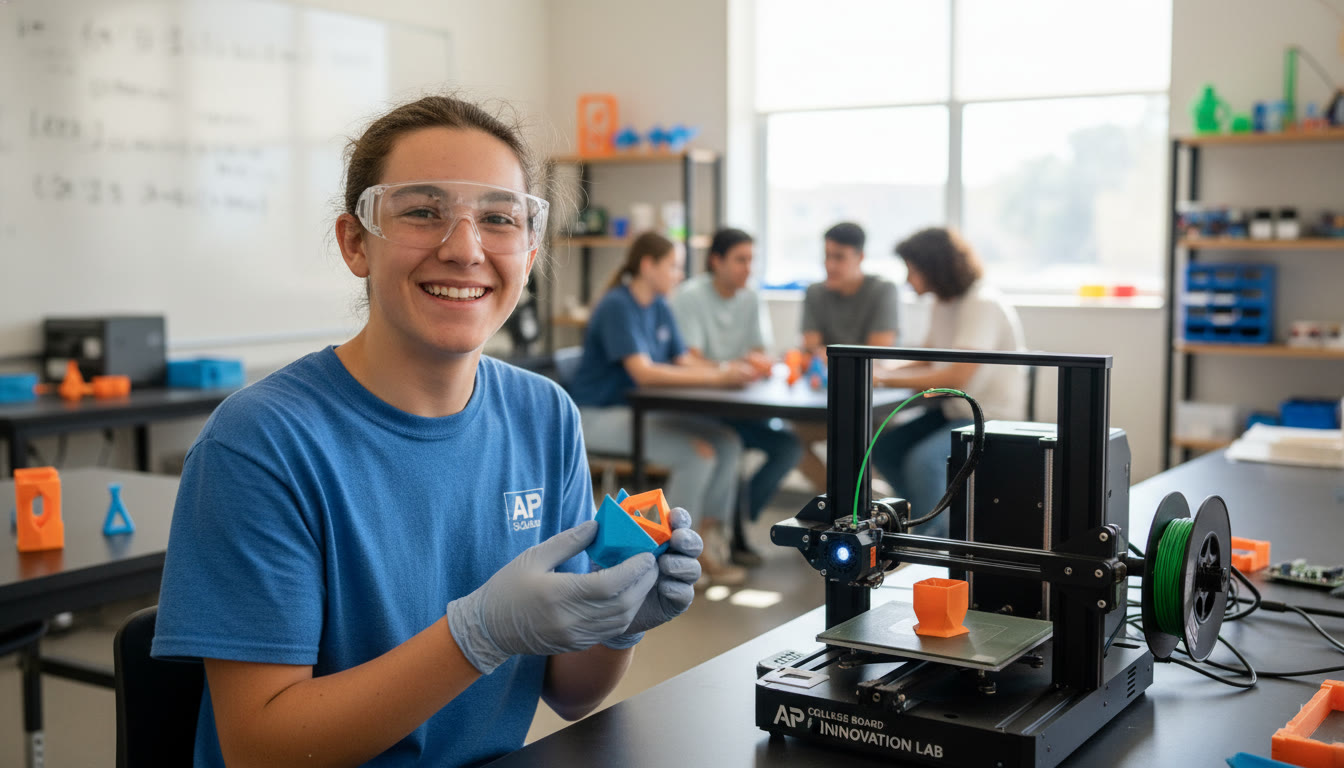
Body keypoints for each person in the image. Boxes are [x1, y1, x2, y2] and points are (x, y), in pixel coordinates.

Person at [151, 95, 704, 767]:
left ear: (529, 251)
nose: (465, 249)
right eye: (422, 212)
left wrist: (620, 622)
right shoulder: (262, 442)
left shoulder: (545, 416)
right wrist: (475, 635)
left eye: (498, 218)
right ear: (356, 243)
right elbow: (259, 749)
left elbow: (570, 690)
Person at [567, 231, 758, 586]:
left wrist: (726, 370)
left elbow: (683, 359)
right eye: (673, 267)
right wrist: (718, 379)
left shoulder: (658, 305)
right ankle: (675, 557)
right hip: (596, 417)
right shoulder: (617, 306)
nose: (678, 276)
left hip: (638, 415)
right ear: (647, 265)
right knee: (697, 455)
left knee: (727, 442)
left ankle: (705, 540)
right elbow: (644, 373)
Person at [871, 227, 1026, 538]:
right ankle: (920, 521)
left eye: (911, 269)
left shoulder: (981, 303)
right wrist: (881, 368)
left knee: (922, 462)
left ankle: (932, 540)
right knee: (884, 450)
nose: (907, 279)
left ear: (933, 268)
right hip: (955, 412)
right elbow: (928, 357)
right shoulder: (944, 302)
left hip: (988, 416)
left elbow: (956, 376)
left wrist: (884, 378)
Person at [669, 228, 804, 565]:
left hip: (743, 406)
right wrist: (731, 367)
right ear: (716, 261)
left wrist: (754, 363)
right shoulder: (690, 296)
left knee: (789, 447)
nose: (748, 268)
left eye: (751, 260)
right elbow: (690, 358)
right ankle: (720, 537)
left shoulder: (751, 296)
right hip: (703, 410)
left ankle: (736, 526)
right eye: (740, 260)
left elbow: (760, 351)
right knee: (727, 446)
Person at [795, 221, 901, 491]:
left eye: (839, 257)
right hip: (823, 403)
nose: (830, 265)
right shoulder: (815, 292)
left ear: (860, 258)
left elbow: (876, 355)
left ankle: (850, 502)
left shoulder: (883, 290)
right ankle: (838, 500)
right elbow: (811, 351)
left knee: (855, 439)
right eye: (827, 256)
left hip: (869, 405)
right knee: (787, 442)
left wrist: (826, 355)